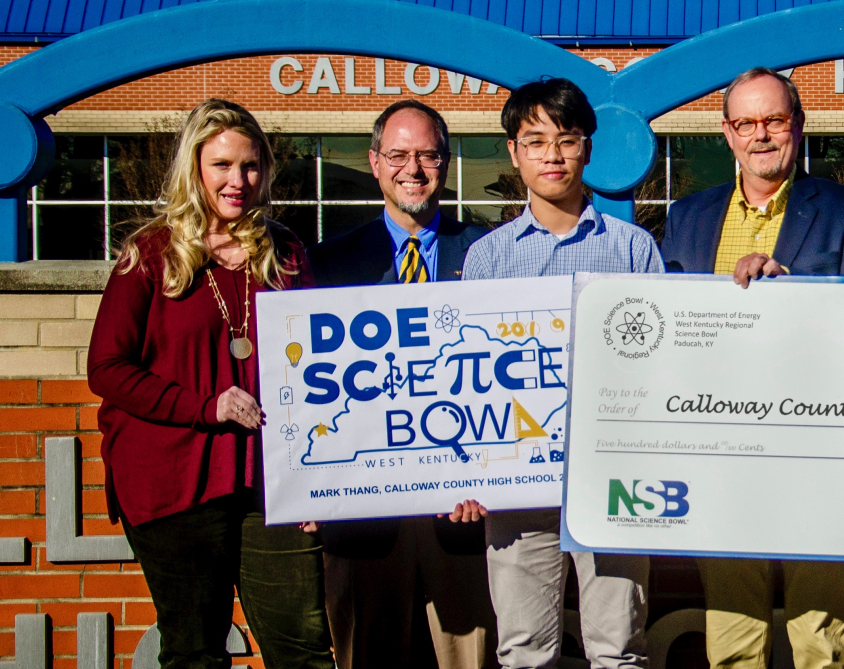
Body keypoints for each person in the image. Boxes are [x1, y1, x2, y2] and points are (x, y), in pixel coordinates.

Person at [87, 99, 331, 669]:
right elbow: (108, 368)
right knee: (195, 652)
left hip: (273, 481)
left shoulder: (285, 252)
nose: (237, 181)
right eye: (221, 165)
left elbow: (323, 364)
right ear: (194, 169)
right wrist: (203, 406)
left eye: (249, 166)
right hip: (175, 479)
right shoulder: (151, 253)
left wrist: (324, 478)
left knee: (303, 650)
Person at [662, 67, 844, 669]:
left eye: (774, 120)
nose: (760, 135)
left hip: (818, 449)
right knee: (732, 644)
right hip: (720, 448)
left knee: (822, 642)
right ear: (727, 134)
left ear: (799, 125)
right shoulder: (687, 217)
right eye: (746, 123)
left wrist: (795, 298)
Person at [449, 77, 663, 669]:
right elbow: (471, 377)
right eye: (535, 140)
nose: (552, 155)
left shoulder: (634, 249)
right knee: (523, 653)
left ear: (588, 149)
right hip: (516, 488)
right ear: (514, 151)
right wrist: (469, 470)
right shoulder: (489, 257)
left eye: (566, 140)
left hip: (613, 481)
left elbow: (659, 365)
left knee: (619, 651)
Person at [307, 99, 495, 669]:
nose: (413, 168)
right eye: (398, 154)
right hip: (362, 515)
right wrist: (303, 479)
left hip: (464, 510)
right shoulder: (327, 263)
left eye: (428, 155)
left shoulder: (489, 253)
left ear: (446, 162)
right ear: (373, 162)